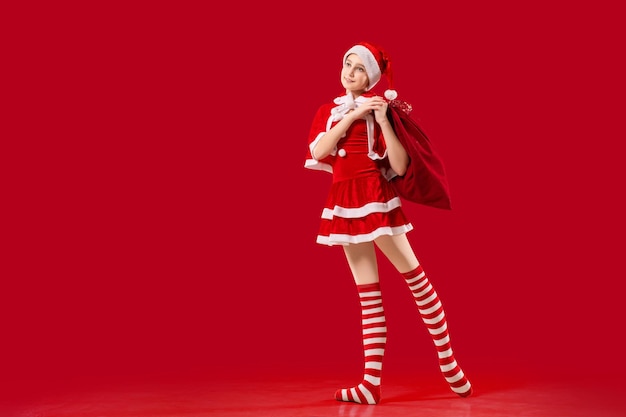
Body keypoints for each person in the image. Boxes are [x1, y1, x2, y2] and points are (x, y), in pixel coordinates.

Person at [304, 42, 473, 405]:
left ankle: (449, 363)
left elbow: (398, 166)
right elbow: (319, 152)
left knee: (417, 281)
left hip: (376, 199)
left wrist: (380, 119)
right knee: (368, 296)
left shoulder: (382, 113)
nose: (350, 73)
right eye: (347, 64)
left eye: (360, 69)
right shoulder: (327, 112)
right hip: (344, 203)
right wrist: (351, 116)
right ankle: (370, 383)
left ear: (372, 77)